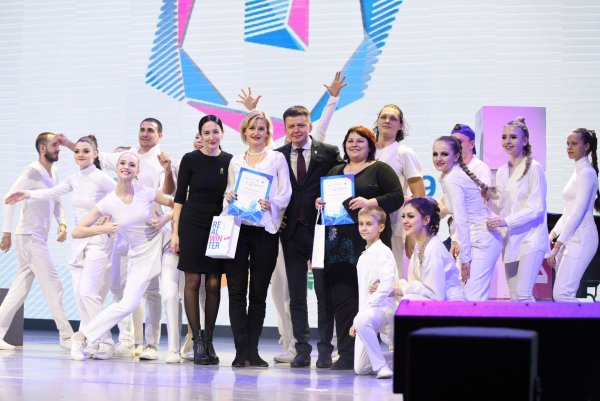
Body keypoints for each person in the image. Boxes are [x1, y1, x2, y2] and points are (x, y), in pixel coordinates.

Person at [59, 118, 176, 360]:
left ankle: (164, 347)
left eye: (131, 164)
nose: (126, 166)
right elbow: (77, 231)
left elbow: (178, 203)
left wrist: (167, 219)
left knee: (168, 294)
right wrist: (101, 229)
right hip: (139, 255)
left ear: (137, 171)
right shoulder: (109, 201)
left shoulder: (148, 190)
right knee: (126, 303)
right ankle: (82, 337)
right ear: (116, 167)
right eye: (122, 163)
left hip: (161, 243)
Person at [4, 135, 116, 358]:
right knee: (79, 295)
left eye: (86, 151)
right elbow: (51, 193)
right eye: (77, 151)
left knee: (85, 293)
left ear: (95, 154)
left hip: (97, 241)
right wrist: (26, 194)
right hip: (75, 241)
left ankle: (98, 340)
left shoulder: (101, 178)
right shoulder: (71, 178)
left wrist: (108, 217)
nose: (80, 154)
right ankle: (91, 340)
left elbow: (122, 195)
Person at [271, 72, 346, 368]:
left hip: (322, 232)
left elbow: (340, 183)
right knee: (296, 296)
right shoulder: (277, 155)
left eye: (301, 125)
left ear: (310, 126)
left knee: (324, 293)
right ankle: (301, 349)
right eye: (291, 126)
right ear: (285, 129)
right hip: (291, 234)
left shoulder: (328, 152)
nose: (296, 130)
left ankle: (326, 349)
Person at [317, 126, 403, 370]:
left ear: (370, 145)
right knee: (343, 301)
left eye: (360, 141)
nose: (354, 145)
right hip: (338, 246)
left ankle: (368, 356)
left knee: (369, 298)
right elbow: (327, 204)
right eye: (350, 141)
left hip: (368, 245)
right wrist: (320, 202)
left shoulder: (380, 169)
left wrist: (371, 202)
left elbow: (397, 197)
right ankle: (346, 355)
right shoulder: (335, 171)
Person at [223, 110, 292, 367]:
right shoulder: (235, 161)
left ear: (268, 132)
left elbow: (285, 192)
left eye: (261, 128)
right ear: (244, 132)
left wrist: (272, 204)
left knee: (259, 293)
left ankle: (252, 350)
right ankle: (240, 351)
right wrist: (228, 197)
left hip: (265, 230)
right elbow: (229, 192)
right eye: (252, 128)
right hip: (238, 229)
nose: (256, 132)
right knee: (236, 292)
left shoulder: (276, 159)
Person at [0, 132, 73, 350]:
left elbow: (56, 200)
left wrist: (62, 223)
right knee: (54, 284)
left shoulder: (55, 172)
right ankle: (66, 336)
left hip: (37, 237)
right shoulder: (31, 171)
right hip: (29, 237)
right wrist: (6, 232)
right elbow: (9, 199)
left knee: (19, 290)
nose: (59, 148)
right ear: (43, 148)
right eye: (55, 145)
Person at [171, 115, 232, 364]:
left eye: (215, 132)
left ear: (222, 133)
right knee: (193, 280)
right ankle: (196, 341)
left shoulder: (230, 161)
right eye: (206, 132)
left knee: (214, 284)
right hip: (192, 223)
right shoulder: (190, 159)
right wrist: (175, 232)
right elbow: (179, 198)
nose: (211, 137)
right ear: (200, 135)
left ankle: (209, 340)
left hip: (219, 225)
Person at [484, 117, 549, 302]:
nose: (508, 141)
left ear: (525, 141)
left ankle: (538, 323)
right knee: (514, 297)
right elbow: (504, 209)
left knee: (523, 294)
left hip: (531, 239)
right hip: (511, 240)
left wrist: (505, 221)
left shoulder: (535, 168)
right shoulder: (502, 171)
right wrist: (487, 199)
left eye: (513, 137)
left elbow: (536, 208)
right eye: (504, 137)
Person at [433, 136, 502, 301]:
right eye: (435, 154)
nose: (438, 158)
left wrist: (465, 259)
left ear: (456, 156)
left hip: (482, 239)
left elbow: (461, 220)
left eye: (444, 154)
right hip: (474, 238)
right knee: (464, 297)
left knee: (473, 298)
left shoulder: (453, 178)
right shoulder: (448, 176)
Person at [547, 128, 600, 301]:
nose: (569, 147)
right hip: (569, 238)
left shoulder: (587, 173)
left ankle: (591, 317)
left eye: (574, 144)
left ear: (586, 146)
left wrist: (557, 246)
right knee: (561, 294)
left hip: (582, 238)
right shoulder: (577, 172)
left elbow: (578, 212)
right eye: (567, 144)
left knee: (563, 294)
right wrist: (553, 234)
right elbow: (568, 211)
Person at [374, 105, 425, 277]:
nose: (387, 121)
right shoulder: (366, 151)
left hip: (395, 224)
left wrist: (412, 232)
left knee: (392, 275)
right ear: (377, 121)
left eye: (393, 118)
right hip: (368, 224)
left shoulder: (404, 152)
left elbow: (419, 195)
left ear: (401, 125)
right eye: (383, 117)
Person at [350, 206, 396, 379]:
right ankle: (394, 360)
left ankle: (382, 366)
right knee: (360, 368)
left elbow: (387, 286)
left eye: (369, 224)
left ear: (381, 227)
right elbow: (363, 295)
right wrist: (359, 317)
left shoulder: (384, 252)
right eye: (361, 224)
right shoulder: (363, 257)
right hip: (368, 312)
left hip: (383, 310)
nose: (364, 228)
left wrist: (360, 317)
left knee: (362, 320)